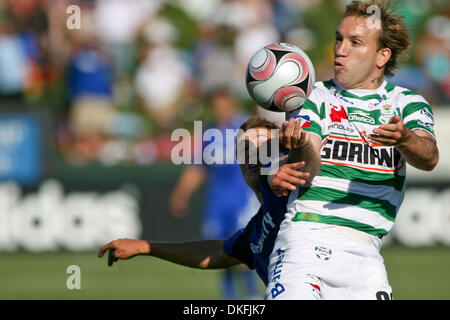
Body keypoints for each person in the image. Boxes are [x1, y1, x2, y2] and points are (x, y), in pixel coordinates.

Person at [265, 0, 439, 300]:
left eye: (355, 42)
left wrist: (405, 138)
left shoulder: (406, 103)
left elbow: (429, 157)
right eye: (338, 39)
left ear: (382, 56)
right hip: (306, 240)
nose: (340, 49)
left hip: (366, 256)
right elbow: (310, 165)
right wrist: (301, 142)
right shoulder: (314, 96)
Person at [98, 116, 321, 290]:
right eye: (245, 150)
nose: (253, 154)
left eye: (264, 146)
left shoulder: (294, 195)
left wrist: (300, 146)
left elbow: (307, 165)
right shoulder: (258, 230)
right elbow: (218, 253)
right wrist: (147, 247)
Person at [168, 89, 261, 299]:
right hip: (218, 201)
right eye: (217, 107)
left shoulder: (246, 129)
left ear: (232, 105)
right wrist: (181, 194)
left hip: (242, 199)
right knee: (221, 253)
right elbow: (197, 168)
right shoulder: (209, 133)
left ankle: (252, 297)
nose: (221, 111)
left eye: (225, 106)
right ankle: (230, 299)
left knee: (244, 254)